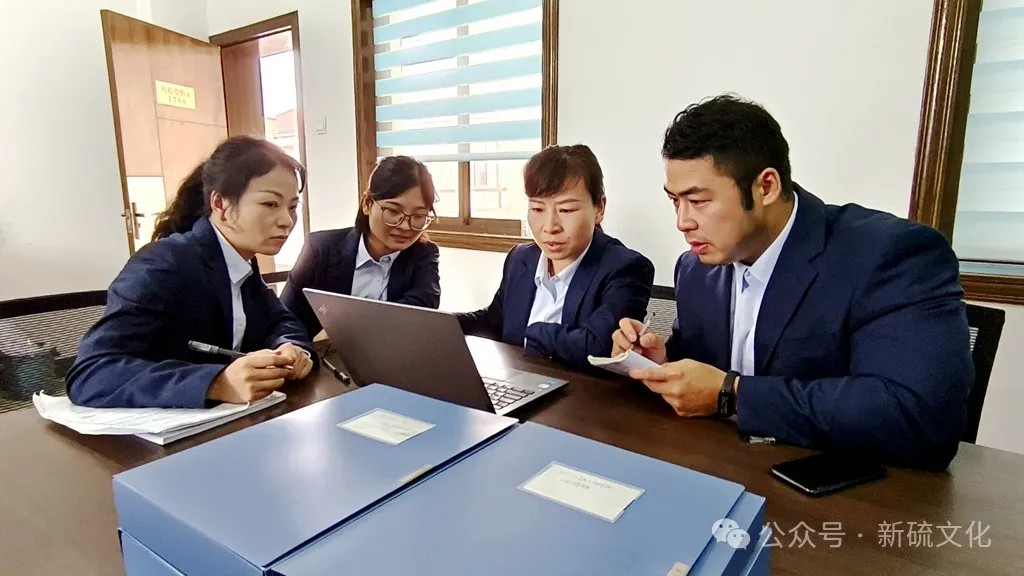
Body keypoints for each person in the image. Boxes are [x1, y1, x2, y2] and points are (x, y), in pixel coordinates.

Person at [612, 94, 973, 470]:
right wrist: (661, 361)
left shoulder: (889, 254)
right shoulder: (695, 270)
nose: (682, 222)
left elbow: (920, 418)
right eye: (675, 201)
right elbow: (703, 371)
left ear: (766, 187)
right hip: (719, 468)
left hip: (839, 487)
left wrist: (733, 394)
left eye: (698, 201)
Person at [66, 136, 315, 409]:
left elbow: (280, 320)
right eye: (270, 204)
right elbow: (91, 372)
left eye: (292, 207)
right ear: (220, 204)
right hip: (154, 431)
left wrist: (290, 347)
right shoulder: (164, 263)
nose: (287, 221)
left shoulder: (240, 261)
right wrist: (217, 382)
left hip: (232, 422)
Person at [458, 144, 654, 370]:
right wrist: (444, 324)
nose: (550, 227)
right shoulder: (520, 259)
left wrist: (531, 330)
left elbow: (599, 347)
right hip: (519, 382)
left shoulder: (626, 268)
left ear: (599, 208)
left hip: (581, 390)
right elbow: (494, 322)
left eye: (566, 210)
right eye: (538, 209)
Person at [280, 156, 440, 339]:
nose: (405, 226)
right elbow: (285, 317)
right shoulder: (321, 248)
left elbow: (422, 309)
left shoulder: (423, 253)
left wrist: (346, 328)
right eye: (393, 211)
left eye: (419, 215)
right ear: (367, 204)